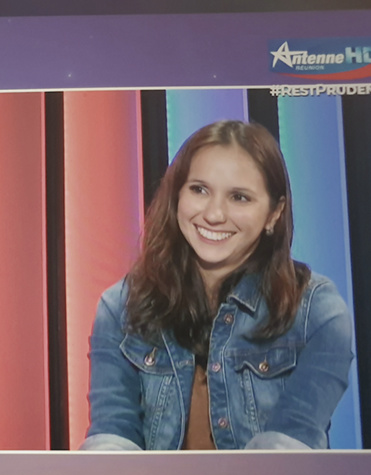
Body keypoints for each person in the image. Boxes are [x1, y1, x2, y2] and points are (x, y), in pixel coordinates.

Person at [82, 120, 353, 450]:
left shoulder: (317, 313)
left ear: (274, 214)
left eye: (239, 197)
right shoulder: (119, 307)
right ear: (177, 195)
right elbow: (112, 438)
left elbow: (289, 452)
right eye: (199, 189)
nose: (214, 214)